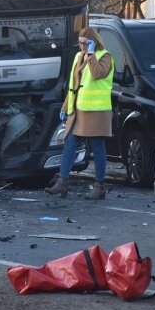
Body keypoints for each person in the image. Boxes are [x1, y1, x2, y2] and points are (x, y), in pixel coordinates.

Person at [45, 26, 114, 200]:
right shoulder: (78, 56)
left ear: (94, 42)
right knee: (69, 144)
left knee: (97, 147)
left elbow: (98, 74)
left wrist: (91, 56)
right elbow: (73, 85)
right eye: (80, 43)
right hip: (78, 110)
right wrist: (64, 107)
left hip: (96, 111)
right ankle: (62, 183)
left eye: (86, 43)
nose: (82, 47)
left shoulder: (105, 56)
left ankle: (99, 187)